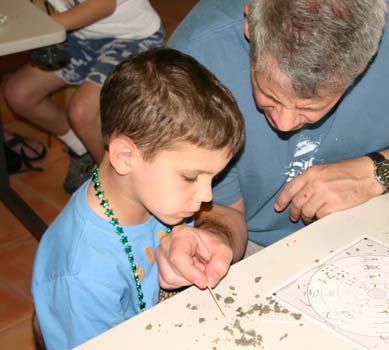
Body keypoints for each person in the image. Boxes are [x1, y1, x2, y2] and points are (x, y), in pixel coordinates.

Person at [157, 0, 389, 285]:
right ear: (251, 24)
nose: (284, 123)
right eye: (269, 95)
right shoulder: (197, 59)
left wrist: (376, 172)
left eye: (310, 107)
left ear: (366, 59)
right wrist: (217, 241)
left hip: (385, 228)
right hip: (257, 249)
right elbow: (224, 213)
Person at [31, 48, 246, 349]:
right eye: (190, 177)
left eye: (213, 178)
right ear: (124, 157)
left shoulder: (155, 195)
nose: (207, 196)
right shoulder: (83, 274)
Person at [2, 0, 164, 193]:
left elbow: (102, 5)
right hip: (80, 36)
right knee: (18, 93)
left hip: (134, 36)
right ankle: (82, 148)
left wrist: (41, 29)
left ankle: (120, 188)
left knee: (82, 112)